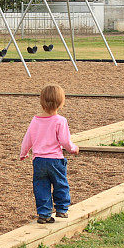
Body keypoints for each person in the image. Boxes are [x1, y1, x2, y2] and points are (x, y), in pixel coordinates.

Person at [20, 84, 79, 224]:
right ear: (61, 103)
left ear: (41, 102)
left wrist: (24, 152)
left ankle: (44, 213)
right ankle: (61, 208)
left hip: (39, 160)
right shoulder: (60, 121)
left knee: (41, 186)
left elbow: (28, 138)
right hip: (55, 160)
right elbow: (64, 141)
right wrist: (73, 148)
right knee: (60, 183)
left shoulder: (35, 120)